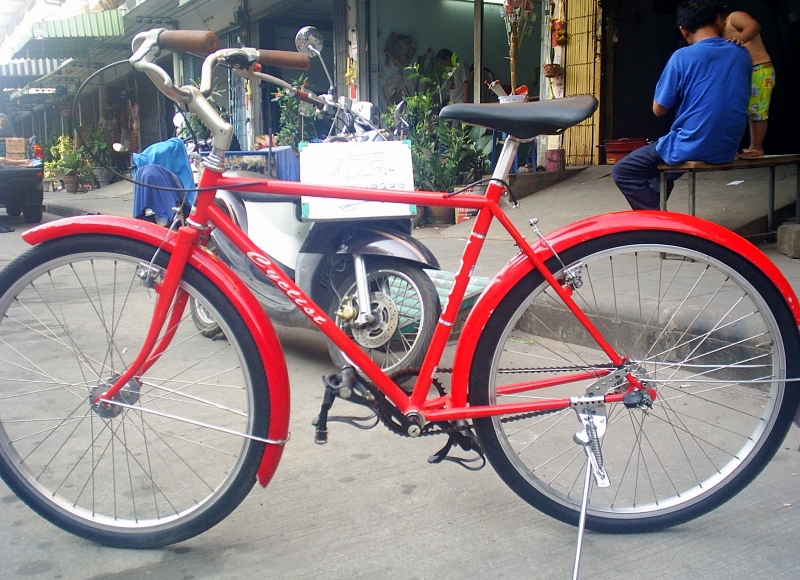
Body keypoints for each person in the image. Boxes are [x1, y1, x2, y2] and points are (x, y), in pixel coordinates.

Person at [612, 0, 751, 210]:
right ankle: (658, 215)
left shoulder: (682, 57)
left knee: (624, 171)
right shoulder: (741, 53)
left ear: (683, 30)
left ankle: (658, 220)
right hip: (727, 147)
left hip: (691, 144)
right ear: (718, 20)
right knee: (660, 172)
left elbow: (658, 109)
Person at [721, 5, 774, 158]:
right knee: (736, 111)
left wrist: (741, 39)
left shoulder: (733, 18)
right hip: (740, 72)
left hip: (758, 68)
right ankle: (732, 149)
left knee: (757, 110)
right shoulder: (716, 32)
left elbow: (754, 26)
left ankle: (756, 148)